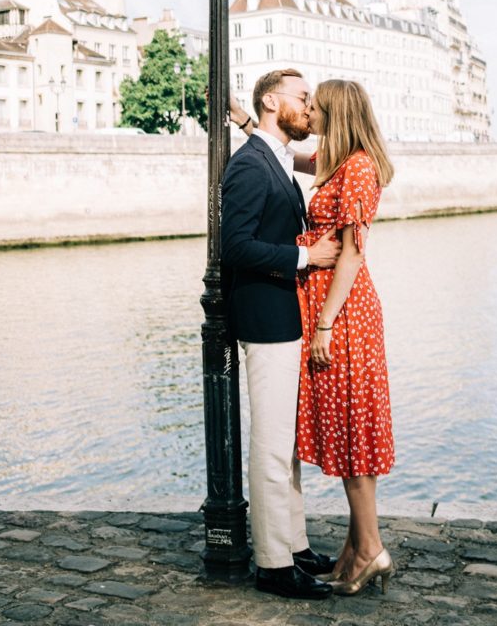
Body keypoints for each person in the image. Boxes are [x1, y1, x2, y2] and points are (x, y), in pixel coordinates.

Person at [221, 69, 342, 600]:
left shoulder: (270, 154)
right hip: (267, 323)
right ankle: (272, 565)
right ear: (274, 101)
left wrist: (246, 122)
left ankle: (293, 545)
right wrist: (305, 257)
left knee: (286, 446)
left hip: (283, 320)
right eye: (302, 98)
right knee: (271, 448)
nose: (310, 108)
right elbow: (238, 247)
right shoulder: (249, 165)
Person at [296, 79, 395, 596]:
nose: (307, 112)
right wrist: (246, 121)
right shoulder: (341, 163)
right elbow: (297, 158)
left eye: (312, 107)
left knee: (355, 432)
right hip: (341, 308)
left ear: (334, 113)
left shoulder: (356, 169)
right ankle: (357, 549)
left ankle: (371, 548)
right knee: (350, 429)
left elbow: (353, 254)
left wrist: (325, 324)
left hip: (346, 314)